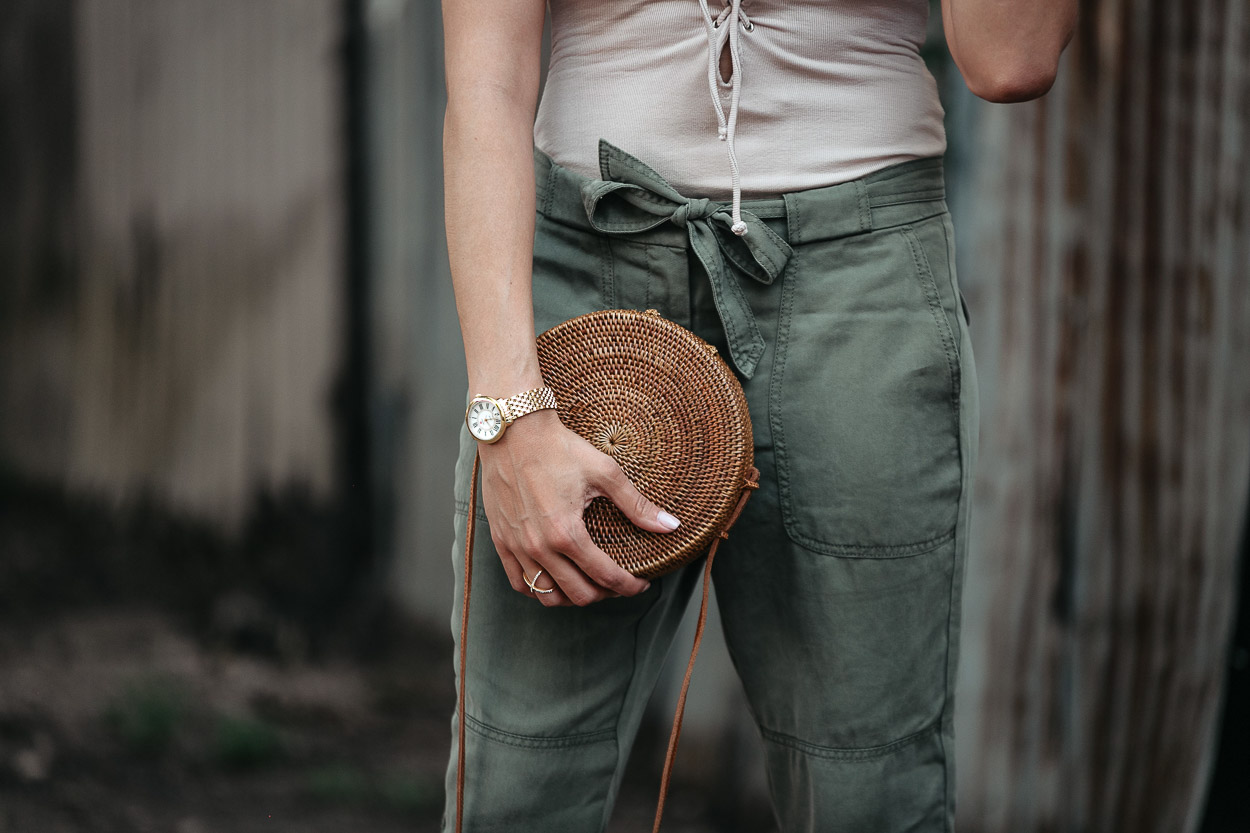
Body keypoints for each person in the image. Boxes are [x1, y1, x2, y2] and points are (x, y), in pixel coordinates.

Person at [440, 0, 1076, 830]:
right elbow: (485, 84)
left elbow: (1010, 60)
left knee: (868, 795)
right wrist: (510, 409)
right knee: (515, 792)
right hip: (584, 274)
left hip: (855, 286)